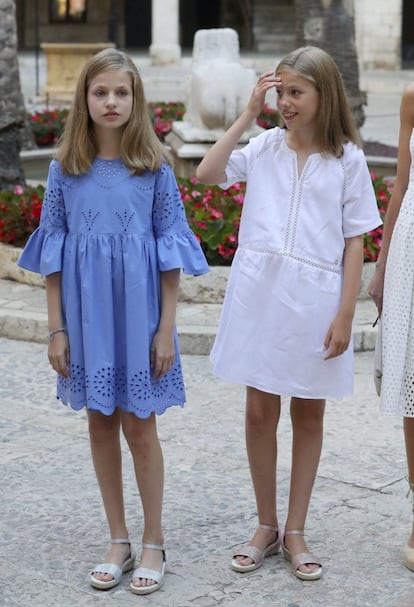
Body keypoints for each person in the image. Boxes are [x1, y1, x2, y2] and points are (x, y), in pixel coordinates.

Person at [18, 48, 209, 595]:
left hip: (140, 319)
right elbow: (52, 258)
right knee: (99, 424)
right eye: (100, 92)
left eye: (121, 92)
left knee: (140, 428)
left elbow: (170, 257)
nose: (110, 101)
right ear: (84, 99)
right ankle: (118, 538)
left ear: (135, 99)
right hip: (85, 323)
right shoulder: (64, 171)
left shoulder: (154, 170)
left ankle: (154, 539)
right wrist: (57, 329)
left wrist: (166, 328)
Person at [196, 45, 381, 580]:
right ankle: (265, 523)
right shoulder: (263, 147)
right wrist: (247, 115)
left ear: (325, 95)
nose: (286, 103)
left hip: (316, 301)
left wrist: (346, 311)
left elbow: (355, 242)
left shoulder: (348, 159)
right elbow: (208, 173)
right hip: (261, 296)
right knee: (259, 411)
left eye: (296, 93)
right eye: (281, 93)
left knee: (308, 413)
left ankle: (296, 528)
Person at [368, 83, 414, 572]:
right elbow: (402, 184)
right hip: (413, 250)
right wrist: (381, 267)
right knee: (413, 386)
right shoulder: (411, 96)